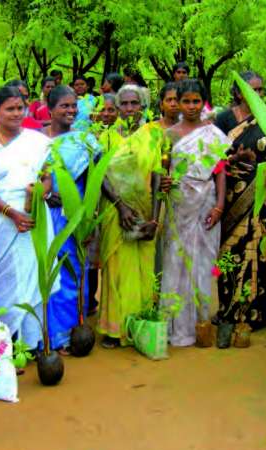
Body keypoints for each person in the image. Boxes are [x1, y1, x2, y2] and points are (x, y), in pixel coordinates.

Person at [0, 87, 55, 349]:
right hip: (0, 220)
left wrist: (41, 192)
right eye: (10, 108)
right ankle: (0, 346)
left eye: (20, 108)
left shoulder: (38, 141)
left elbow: (47, 175)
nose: (16, 113)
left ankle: (28, 343)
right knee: (2, 282)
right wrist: (12, 213)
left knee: (32, 278)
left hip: (34, 217)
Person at [162, 79, 229, 346]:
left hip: (206, 201)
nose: (191, 106)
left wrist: (220, 206)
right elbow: (163, 170)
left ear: (203, 103)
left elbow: (220, 171)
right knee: (175, 260)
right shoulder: (170, 135)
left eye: (196, 101)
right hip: (179, 203)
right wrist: (165, 182)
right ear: (177, 103)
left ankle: (199, 322)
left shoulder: (212, 133)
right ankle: (176, 324)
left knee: (202, 260)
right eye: (186, 101)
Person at [98, 84, 164, 348]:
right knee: (116, 267)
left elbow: (158, 175)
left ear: (143, 105)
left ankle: (140, 326)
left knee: (143, 269)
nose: (128, 109)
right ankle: (115, 329)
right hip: (115, 213)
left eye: (133, 103)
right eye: (123, 104)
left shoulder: (153, 135)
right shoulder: (107, 137)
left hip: (145, 209)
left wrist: (155, 219)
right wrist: (120, 206)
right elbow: (101, 175)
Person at [213, 73, 266, 332]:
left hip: (261, 191)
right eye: (252, 90)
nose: (258, 95)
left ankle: (263, 311)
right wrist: (231, 161)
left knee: (262, 250)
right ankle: (226, 308)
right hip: (229, 193)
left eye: (261, 90)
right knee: (229, 250)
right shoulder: (224, 119)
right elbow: (214, 156)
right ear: (239, 92)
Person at [43, 86, 102, 352]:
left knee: (72, 272)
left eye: (73, 106)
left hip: (74, 217)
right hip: (45, 217)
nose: (70, 111)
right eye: (64, 106)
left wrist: (88, 218)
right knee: (48, 274)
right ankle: (49, 334)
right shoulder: (36, 141)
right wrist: (45, 196)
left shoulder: (84, 141)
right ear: (50, 108)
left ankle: (70, 333)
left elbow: (93, 181)